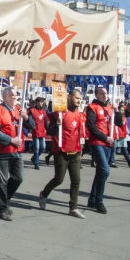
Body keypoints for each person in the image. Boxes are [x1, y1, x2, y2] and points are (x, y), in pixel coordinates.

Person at [0, 87, 35, 221]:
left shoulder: (19, 110)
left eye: (16, 95)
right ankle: (2, 209)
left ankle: (2, 200)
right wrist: (10, 140)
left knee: (18, 177)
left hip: (17, 152)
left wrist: (26, 118)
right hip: (2, 151)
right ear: (5, 97)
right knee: (2, 181)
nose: (15, 97)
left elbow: (32, 125)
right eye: (12, 95)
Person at [38, 89, 85, 218]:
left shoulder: (80, 114)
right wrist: (56, 125)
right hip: (61, 151)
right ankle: (44, 194)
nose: (78, 101)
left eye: (80, 99)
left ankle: (73, 207)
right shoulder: (59, 113)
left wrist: (81, 149)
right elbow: (50, 131)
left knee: (76, 180)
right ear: (69, 97)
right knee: (59, 179)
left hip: (75, 151)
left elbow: (80, 131)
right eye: (76, 98)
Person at [86, 87, 122, 214]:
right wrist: (104, 137)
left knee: (100, 172)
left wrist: (117, 111)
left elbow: (119, 122)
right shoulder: (92, 107)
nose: (104, 96)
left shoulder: (110, 108)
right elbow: (90, 126)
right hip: (98, 142)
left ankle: (92, 198)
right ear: (96, 95)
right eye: (101, 93)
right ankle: (99, 201)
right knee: (105, 171)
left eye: (106, 93)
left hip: (108, 142)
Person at [29, 97, 48, 170]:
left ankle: (34, 158)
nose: (42, 103)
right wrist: (29, 131)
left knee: (43, 147)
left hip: (42, 131)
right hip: (35, 131)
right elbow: (29, 121)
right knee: (36, 148)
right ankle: (36, 163)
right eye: (40, 102)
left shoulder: (44, 111)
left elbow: (45, 121)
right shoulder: (32, 111)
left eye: (42, 102)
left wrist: (47, 129)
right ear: (37, 102)